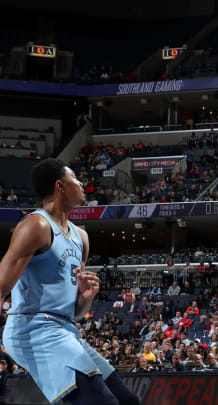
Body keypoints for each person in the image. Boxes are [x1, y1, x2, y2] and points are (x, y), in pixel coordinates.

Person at [0, 158, 140, 405]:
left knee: (127, 400)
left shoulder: (81, 237)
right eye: (75, 178)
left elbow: (76, 313)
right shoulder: (36, 225)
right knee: (100, 401)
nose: (81, 182)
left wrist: (86, 297)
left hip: (64, 328)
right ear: (60, 186)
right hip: (31, 328)